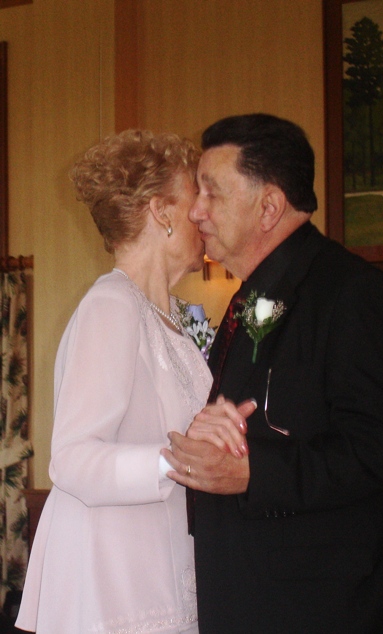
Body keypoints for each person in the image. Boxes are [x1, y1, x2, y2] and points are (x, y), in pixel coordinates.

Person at [163, 114, 383, 633]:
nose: (196, 210)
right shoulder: (254, 296)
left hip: (332, 608)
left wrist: (254, 473)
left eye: (212, 192)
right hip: (259, 597)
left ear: (269, 206)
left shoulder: (351, 291)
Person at [15, 129, 252, 634]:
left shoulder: (173, 320)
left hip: (161, 569)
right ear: (161, 211)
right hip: (114, 582)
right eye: (195, 197)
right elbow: (73, 459)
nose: (204, 212)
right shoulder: (111, 305)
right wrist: (180, 460)